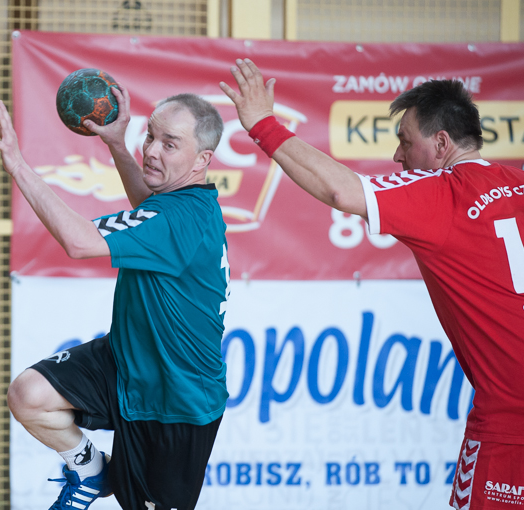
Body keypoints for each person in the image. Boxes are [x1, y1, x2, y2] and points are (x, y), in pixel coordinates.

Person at [220, 58, 524, 510]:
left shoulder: (444, 193)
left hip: (508, 428)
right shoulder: (518, 183)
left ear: (441, 144)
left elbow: (341, 191)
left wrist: (263, 125)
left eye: (405, 142)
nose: (398, 157)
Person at [0, 84, 230, 510]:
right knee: (30, 395)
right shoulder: (178, 204)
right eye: (150, 136)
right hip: (127, 361)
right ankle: (90, 470)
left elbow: (79, 242)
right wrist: (117, 143)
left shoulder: (178, 220)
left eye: (170, 144)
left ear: (202, 160)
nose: (151, 150)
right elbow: (147, 204)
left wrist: (19, 167)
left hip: (176, 400)